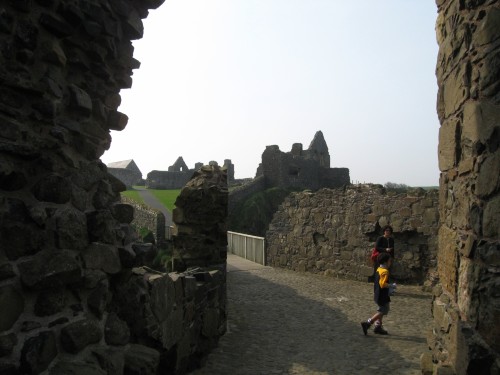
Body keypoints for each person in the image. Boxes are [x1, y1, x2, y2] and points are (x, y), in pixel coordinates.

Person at [361, 252, 396, 335]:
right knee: (383, 310)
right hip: (382, 295)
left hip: (377, 294)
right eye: (389, 261)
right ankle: (368, 323)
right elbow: (382, 284)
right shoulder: (385, 272)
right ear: (385, 262)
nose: (390, 263)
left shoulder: (378, 269)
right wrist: (391, 286)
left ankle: (378, 327)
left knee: (381, 310)